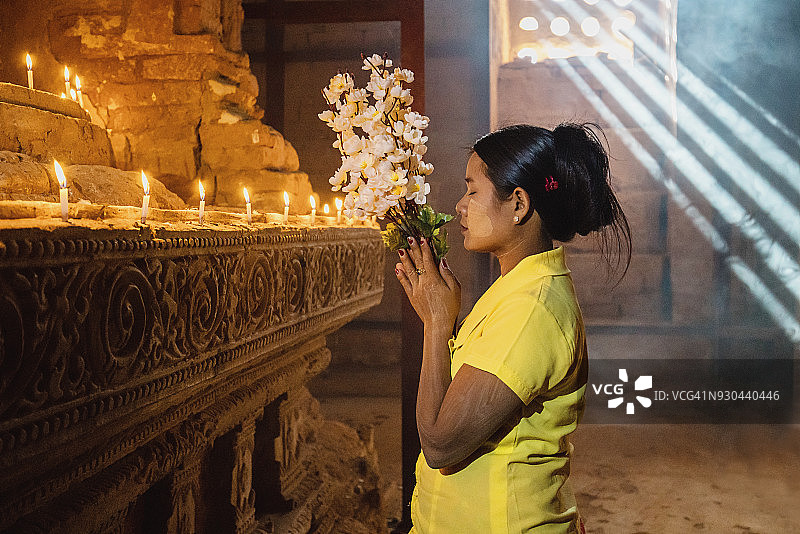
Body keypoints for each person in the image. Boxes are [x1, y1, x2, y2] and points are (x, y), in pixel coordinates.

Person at [395, 123, 631, 533]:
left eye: (472, 190)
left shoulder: (531, 309)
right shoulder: (514, 287)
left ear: (518, 203)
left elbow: (439, 443)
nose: (459, 206)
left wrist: (436, 324)